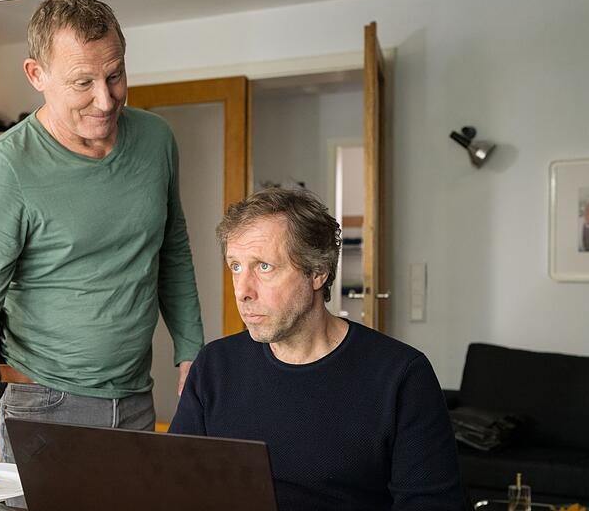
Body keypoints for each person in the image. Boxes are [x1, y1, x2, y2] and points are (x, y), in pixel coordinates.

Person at [0, 0, 204, 479]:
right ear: (36, 75)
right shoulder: (7, 168)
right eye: (83, 82)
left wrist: (192, 349)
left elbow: (172, 249)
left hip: (135, 398)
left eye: (115, 75)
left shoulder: (157, 141)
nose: (105, 100)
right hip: (44, 404)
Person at [170, 187, 464, 510]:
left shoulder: (402, 376)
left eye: (264, 267)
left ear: (318, 272)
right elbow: (173, 487)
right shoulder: (214, 366)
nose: (242, 291)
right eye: (236, 267)